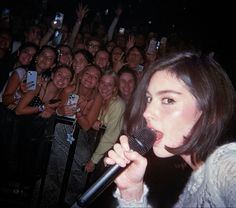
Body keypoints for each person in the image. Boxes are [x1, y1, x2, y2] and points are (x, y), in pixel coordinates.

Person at [104, 51, 236, 207]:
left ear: (211, 110)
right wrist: (131, 191)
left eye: (168, 100)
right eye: (149, 99)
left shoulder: (227, 168)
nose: (146, 113)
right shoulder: (195, 178)